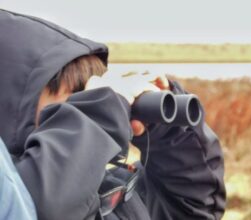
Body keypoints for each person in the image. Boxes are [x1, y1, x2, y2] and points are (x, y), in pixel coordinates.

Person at [0, 8, 226, 220]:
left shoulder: (108, 188)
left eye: (85, 95)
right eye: (71, 102)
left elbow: (191, 208)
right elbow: (34, 206)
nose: (80, 106)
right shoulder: (21, 195)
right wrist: (97, 115)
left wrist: (165, 133)